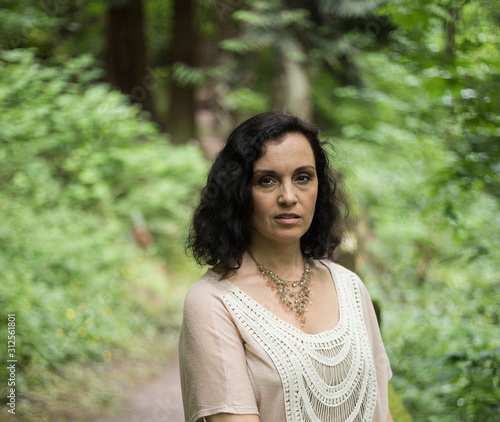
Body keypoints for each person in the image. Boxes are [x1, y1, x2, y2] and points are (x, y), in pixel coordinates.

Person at [179, 111, 393, 422]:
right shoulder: (212, 303)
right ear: (238, 191)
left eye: (303, 177)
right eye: (266, 180)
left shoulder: (350, 287)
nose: (289, 197)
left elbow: (381, 412)